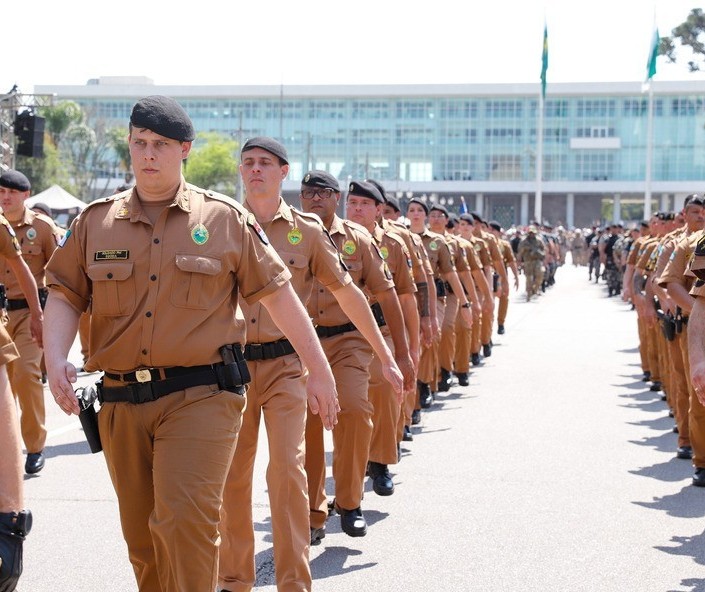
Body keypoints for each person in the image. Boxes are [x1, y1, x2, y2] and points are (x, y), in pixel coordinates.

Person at [43, 96, 339, 592]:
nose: (148, 154)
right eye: (139, 143)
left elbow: (280, 295)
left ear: (185, 150)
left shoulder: (223, 219)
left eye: (160, 145)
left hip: (201, 395)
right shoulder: (96, 221)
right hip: (119, 401)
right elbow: (66, 294)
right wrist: (56, 358)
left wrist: (320, 371)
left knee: (185, 524)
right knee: (143, 543)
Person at [219, 142, 403, 592]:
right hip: (231, 368)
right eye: (248, 163)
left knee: (286, 470)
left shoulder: (306, 231)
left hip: (287, 365)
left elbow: (348, 293)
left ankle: (294, 582)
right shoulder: (221, 224)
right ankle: (234, 579)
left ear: (283, 173)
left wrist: (386, 356)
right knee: (232, 476)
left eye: (265, 163)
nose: (255, 170)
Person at [299, 171, 402, 541]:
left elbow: (388, 295)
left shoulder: (357, 240)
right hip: (302, 344)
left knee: (355, 411)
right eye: (308, 192)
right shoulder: (287, 236)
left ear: (336, 198)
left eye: (322, 193)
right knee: (308, 426)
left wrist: (398, 354)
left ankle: (350, 500)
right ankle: (313, 510)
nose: (314, 199)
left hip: (349, 341)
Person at [0, 169, 59, 474]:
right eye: (1, 191)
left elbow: (62, 272)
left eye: (12, 192)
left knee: (25, 375)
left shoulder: (43, 228)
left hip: (29, 314)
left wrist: (46, 315)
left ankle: (34, 446)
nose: (5, 197)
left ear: (25, 195)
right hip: (1, 314)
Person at [0, 212, 40, 592]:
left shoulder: (29, 226)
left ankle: (37, 445)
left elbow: (22, 267)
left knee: (26, 380)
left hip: (21, 317)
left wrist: (10, 518)